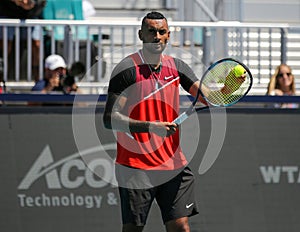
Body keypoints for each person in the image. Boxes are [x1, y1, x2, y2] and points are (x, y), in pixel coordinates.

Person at [103, 11, 245, 232]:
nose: (157, 36)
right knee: (133, 229)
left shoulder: (177, 67)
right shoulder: (126, 69)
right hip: (135, 166)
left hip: (173, 165)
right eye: (151, 31)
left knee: (181, 227)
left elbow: (208, 99)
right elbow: (110, 119)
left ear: (168, 36)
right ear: (141, 34)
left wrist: (229, 88)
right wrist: (151, 127)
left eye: (162, 32)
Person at [0, 0, 46, 81]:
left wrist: (33, 3)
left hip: (32, 16)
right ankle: (2, 76)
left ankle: (38, 78)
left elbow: (41, 2)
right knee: (5, 45)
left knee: (37, 44)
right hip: (7, 13)